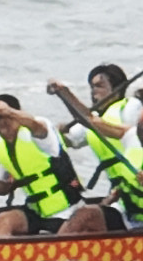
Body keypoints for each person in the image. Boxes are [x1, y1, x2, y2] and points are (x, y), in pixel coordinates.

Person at [0, 95, 93, 236]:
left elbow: (36, 126)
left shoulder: (37, 132)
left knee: (61, 237)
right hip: (36, 212)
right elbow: (4, 186)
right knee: (4, 220)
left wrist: (8, 111)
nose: (3, 126)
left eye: (8, 119)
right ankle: (1, 256)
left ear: (17, 115)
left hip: (68, 211)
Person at [55, 65, 143, 219]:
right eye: (92, 86)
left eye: (99, 86)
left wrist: (66, 94)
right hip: (118, 188)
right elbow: (73, 141)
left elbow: (134, 135)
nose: (93, 91)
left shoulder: (129, 106)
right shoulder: (95, 117)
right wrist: (61, 133)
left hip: (136, 181)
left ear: (116, 87)